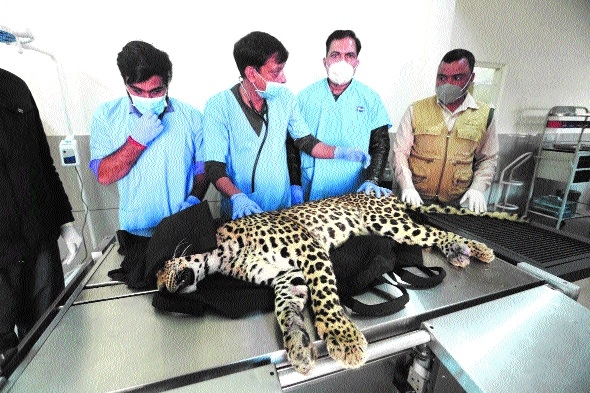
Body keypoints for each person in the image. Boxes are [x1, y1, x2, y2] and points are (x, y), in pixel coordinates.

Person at [204, 31, 370, 220]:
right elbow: (214, 167)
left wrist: (342, 152)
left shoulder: (285, 99)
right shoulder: (219, 106)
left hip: (281, 209)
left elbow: (306, 142)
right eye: (276, 72)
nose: (283, 79)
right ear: (251, 73)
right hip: (242, 211)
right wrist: (237, 197)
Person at [0, 68, 82, 365]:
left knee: (51, 335)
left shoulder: (15, 87)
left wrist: (66, 222)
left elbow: (43, 163)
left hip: (40, 240)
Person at [89, 41, 208, 237]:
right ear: (126, 84)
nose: (148, 98)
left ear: (167, 83)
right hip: (136, 230)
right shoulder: (106, 116)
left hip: (183, 227)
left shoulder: (192, 117)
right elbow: (104, 175)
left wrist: (194, 199)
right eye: (137, 91)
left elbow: (202, 169)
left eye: (156, 91)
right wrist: (136, 142)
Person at [392, 48, 498, 213]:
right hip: (416, 200)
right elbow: (400, 152)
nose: (447, 84)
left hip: (456, 204)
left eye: (456, 78)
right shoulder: (416, 110)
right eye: (442, 78)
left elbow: (488, 159)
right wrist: (407, 186)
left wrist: (478, 187)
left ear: (471, 79)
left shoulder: (484, 115)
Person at [297, 29, 392, 201]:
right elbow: (291, 145)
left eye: (349, 55)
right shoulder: (304, 97)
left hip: (354, 191)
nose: (342, 61)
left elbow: (381, 144)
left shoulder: (370, 98)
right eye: (335, 55)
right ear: (325, 61)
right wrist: (294, 183)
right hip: (311, 190)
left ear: (356, 62)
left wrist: (373, 179)